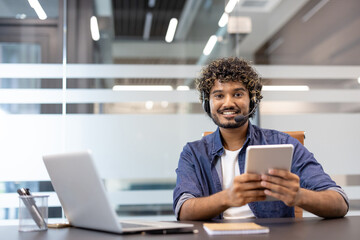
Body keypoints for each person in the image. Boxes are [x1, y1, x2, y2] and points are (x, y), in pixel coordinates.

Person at [173, 57, 348, 220]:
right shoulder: (193, 153)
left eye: (238, 94)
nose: (228, 103)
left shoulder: (283, 143)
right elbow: (183, 210)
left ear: (252, 100)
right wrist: (227, 197)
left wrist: (299, 195)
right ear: (207, 102)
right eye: (219, 95)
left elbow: (339, 203)